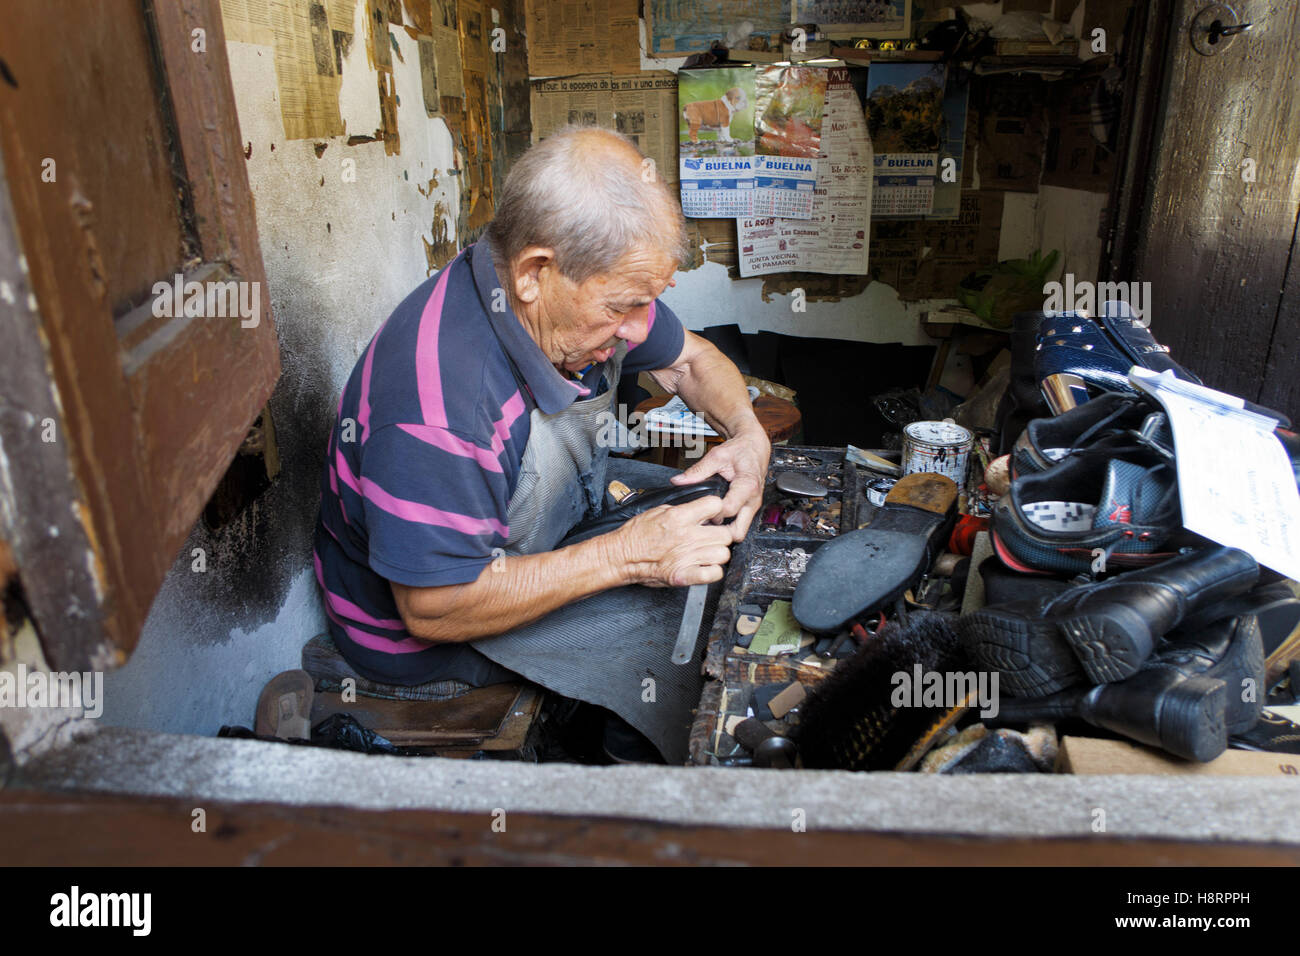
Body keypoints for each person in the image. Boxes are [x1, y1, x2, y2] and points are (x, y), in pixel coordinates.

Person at [312, 127, 769, 755]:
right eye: (623, 308)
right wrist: (625, 556)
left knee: (717, 513)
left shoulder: (567, 296)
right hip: (435, 640)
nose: (640, 329)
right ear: (534, 273)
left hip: (541, 529)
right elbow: (434, 606)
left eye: (649, 302)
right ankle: (633, 814)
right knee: (684, 640)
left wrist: (748, 434)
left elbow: (693, 360)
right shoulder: (442, 406)